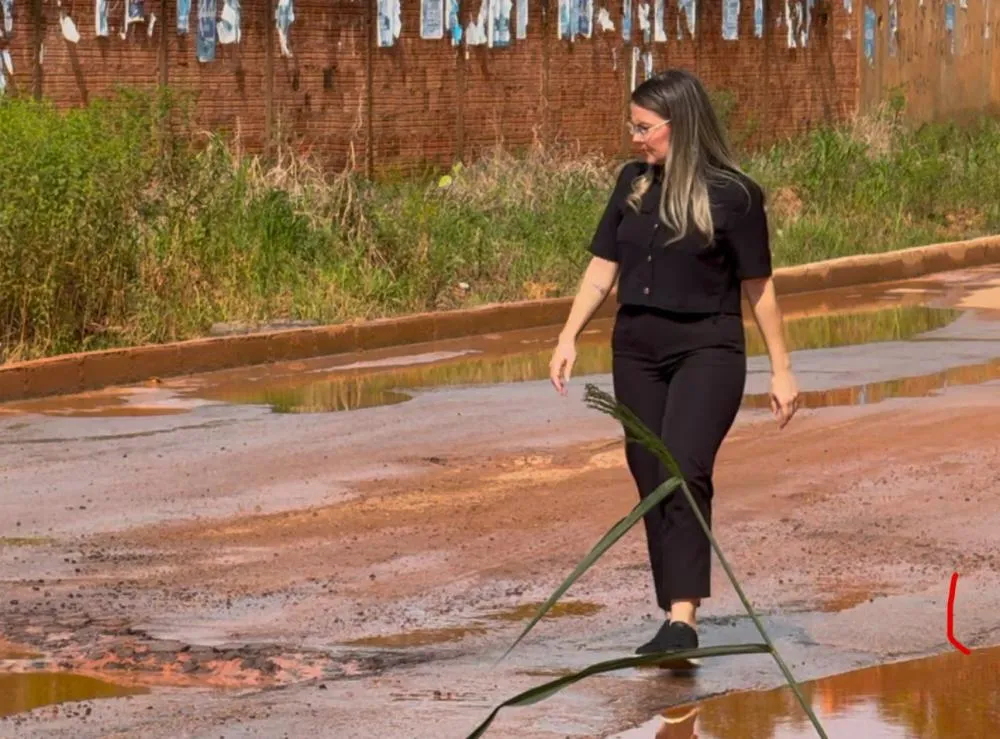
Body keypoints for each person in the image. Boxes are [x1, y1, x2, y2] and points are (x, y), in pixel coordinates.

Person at [548, 69, 799, 667]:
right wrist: (567, 334)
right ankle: (672, 611)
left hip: (706, 351)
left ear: (679, 125)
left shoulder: (734, 195)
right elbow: (602, 269)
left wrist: (782, 369)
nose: (634, 138)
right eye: (631, 126)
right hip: (636, 349)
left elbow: (759, 287)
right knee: (647, 470)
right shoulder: (632, 183)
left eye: (644, 128)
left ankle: (682, 618)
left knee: (682, 468)